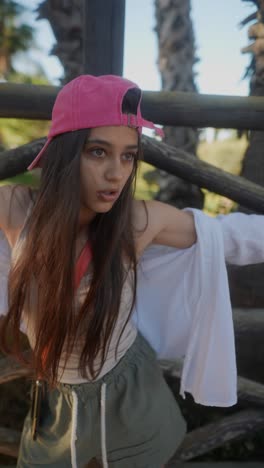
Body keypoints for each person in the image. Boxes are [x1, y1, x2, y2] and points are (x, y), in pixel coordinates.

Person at [0, 74, 263, 467]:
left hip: (130, 392)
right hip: (55, 399)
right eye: (98, 152)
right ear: (65, 151)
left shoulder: (139, 222)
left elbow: (230, 235)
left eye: (128, 156)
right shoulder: (16, 209)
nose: (117, 174)